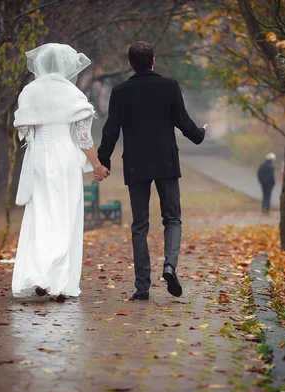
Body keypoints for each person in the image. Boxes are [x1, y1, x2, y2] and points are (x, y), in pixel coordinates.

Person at [97, 41, 207, 301]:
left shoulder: (120, 92)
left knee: (140, 226)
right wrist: (199, 135)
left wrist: (103, 161)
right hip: (166, 162)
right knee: (172, 218)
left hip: (135, 164)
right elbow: (182, 121)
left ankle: (142, 287)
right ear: (154, 61)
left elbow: (111, 129)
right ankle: (169, 265)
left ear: (130, 64)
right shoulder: (169, 86)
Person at [11, 43, 110, 302]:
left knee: (42, 215)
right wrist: (97, 165)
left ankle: (39, 274)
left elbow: (25, 131)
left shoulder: (30, 92)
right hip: (65, 157)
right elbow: (84, 137)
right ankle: (58, 281)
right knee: (66, 215)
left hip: (39, 157)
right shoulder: (72, 94)